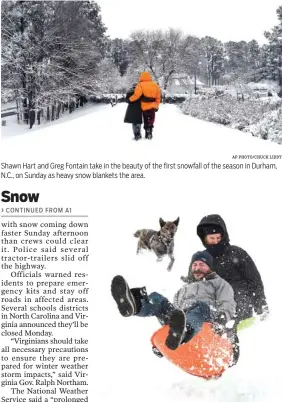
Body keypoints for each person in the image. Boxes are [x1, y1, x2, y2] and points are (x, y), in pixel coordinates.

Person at [111, 251, 239, 364]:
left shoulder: (219, 283)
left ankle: (184, 331)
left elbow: (227, 303)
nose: (197, 267)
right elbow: (177, 316)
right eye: (194, 265)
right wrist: (163, 343)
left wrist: (222, 319)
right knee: (158, 299)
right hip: (185, 321)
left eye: (201, 264)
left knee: (199, 307)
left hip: (207, 321)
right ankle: (136, 306)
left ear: (210, 268)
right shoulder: (183, 290)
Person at [181, 214, 269, 322]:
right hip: (212, 301)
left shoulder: (237, 253)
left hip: (239, 300)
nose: (216, 241)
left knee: (233, 302)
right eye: (212, 238)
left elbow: (253, 279)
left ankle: (226, 325)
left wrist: (260, 303)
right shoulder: (202, 258)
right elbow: (194, 281)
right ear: (205, 239)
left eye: (218, 237)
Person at [128, 71, 161, 139]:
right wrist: (157, 105)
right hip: (153, 106)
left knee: (146, 119)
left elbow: (137, 95)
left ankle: (146, 130)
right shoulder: (155, 85)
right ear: (149, 77)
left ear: (141, 77)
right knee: (151, 119)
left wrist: (130, 99)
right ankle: (149, 131)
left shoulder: (140, 84)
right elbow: (158, 96)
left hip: (144, 106)